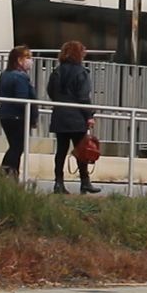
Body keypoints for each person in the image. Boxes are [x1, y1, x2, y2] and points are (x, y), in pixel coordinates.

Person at [47, 40, 99, 195]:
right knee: (82, 150)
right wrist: (89, 115)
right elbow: (83, 97)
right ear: (78, 53)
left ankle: (58, 182)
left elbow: (51, 92)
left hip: (60, 115)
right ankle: (85, 182)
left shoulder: (56, 71)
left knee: (61, 151)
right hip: (76, 117)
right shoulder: (81, 72)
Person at [0, 45, 39, 177]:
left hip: (5, 115)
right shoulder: (21, 77)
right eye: (28, 57)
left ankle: (8, 173)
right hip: (18, 117)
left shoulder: (5, 74)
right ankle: (9, 173)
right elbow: (23, 98)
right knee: (17, 147)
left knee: (14, 146)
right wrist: (32, 117)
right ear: (19, 60)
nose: (30, 61)